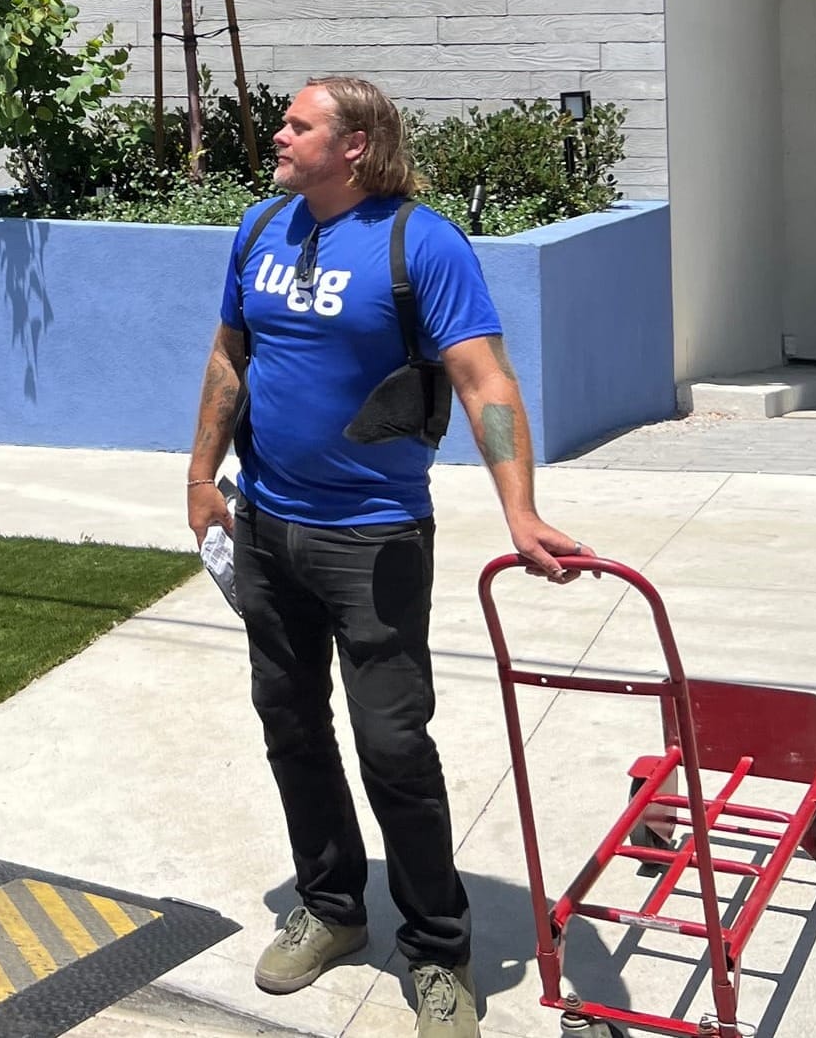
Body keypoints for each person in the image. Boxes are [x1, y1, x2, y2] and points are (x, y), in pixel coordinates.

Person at [185, 77, 587, 1038]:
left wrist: (520, 509)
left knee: (394, 744)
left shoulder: (421, 242)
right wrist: (201, 475)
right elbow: (230, 356)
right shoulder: (259, 230)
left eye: (298, 123)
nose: (278, 134)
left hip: (376, 538)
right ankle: (328, 908)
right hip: (268, 527)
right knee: (289, 721)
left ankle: (439, 950)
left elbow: (483, 374)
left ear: (355, 143)